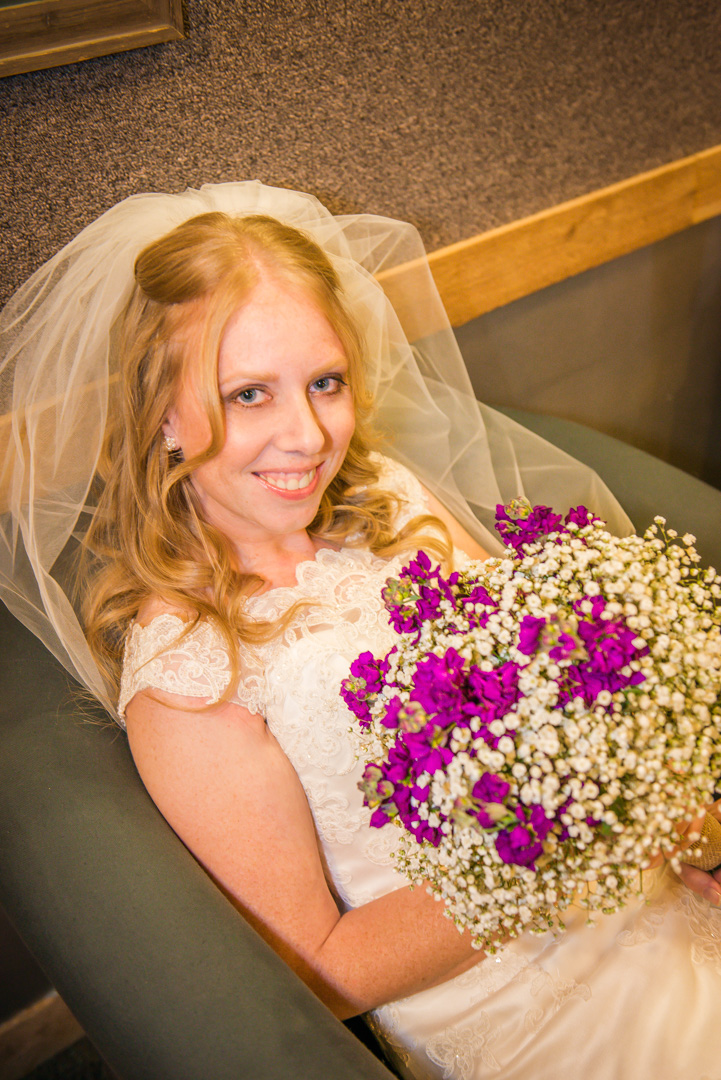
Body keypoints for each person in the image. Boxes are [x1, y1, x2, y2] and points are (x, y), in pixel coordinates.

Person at [1, 182, 720, 1080]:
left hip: (638, 891)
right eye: (248, 394)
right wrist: (562, 843)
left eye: (324, 383)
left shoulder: (387, 497)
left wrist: (681, 827)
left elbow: (555, 701)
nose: (306, 436)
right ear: (164, 416)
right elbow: (323, 969)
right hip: (512, 1005)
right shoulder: (192, 671)